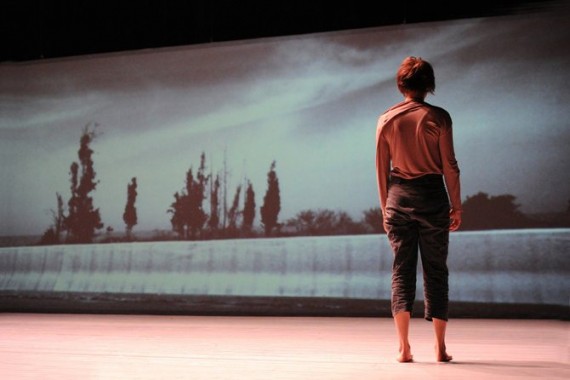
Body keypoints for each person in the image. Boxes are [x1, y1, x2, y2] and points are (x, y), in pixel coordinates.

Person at [375, 56, 462, 363]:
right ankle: (440, 348)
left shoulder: (386, 119)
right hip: (433, 196)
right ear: (429, 85)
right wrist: (457, 205)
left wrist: (386, 207)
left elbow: (381, 169)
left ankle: (404, 347)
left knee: (401, 270)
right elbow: (449, 166)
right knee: (436, 270)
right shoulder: (439, 117)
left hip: (398, 197)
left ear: (401, 85)